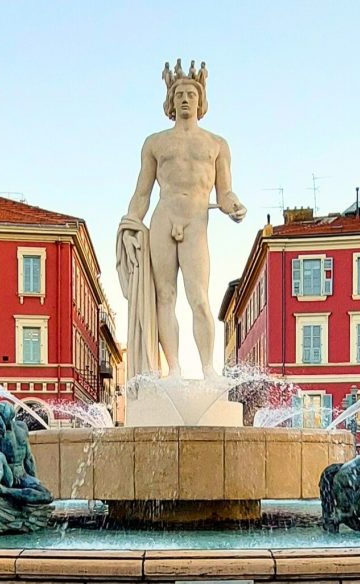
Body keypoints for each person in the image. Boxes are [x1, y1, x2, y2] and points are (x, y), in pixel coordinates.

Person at [117, 61, 246, 379]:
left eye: (191, 93)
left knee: (199, 298)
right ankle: (172, 367)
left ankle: (207, 368)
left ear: (201, 102)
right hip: (164, 218)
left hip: (196, 222)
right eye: (179, 94)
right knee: (165, 295)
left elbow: (225, 190)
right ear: (170, 102)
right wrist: (132, 222)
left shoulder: (216, 144)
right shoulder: (155, 142)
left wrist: (234, 206)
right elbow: (143, 192)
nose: (185, 98)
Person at [0, 397, 51, 506]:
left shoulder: (22, 428)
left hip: (23, 475)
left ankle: (5, 491)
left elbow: (29, 459)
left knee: (47, 495)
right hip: (7, 476)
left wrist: (34, 479)